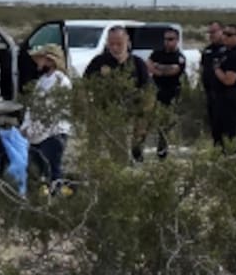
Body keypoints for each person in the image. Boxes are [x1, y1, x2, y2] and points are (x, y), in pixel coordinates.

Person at [84, 26, 153, 163]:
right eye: (111, 44)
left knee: (120, 153)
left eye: (119, 44)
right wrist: (87, 108)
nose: (115, 47)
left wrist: (142, 119)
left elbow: (148, 91)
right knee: (95, 153)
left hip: (127, 118)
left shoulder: (137, 64)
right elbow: (84, 86)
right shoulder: (98, 62)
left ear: (127, 41)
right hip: (101, 115)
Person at [20, 44, 72, 188]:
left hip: (53, 134)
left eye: (40, 59)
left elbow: (50, 111)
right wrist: (26, 127)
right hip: (37, 134)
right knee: (38, 172)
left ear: (50, 60)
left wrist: (35, 129)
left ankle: (56, 200)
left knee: (51, 171)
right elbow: (33, 107)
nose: (37, 62)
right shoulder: (42, 80)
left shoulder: (61, 82)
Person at [207, 23, 236, 152]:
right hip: (219, 97)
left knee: (229, 132)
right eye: (224, 33)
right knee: (217, 131)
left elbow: (229, 80)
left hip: (231, 98)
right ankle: (219, 155)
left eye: (229, 35)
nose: (225, 37)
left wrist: (216, 69)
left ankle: (230, 158)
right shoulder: (225, 51)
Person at [147, 27, 187, 160]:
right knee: (147, 122)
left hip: (171, 94)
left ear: (177, 40)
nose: (167, 42)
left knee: (165, 125)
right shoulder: (157, 53)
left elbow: (173, 70)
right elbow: (149, 66)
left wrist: (159, 68)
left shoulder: (179, 57)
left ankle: (162, 153)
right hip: (155, 92)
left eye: (170, 39)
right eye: (165, 39)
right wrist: (161, 69)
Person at [200, 20, 226, 138]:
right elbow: (203, 68)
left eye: (214, 32)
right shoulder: (207, 50)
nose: (211, 35)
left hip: (224, 94)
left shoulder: (228, 50)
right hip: (210, 93)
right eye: (209, 32)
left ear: (222, 31)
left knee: (225, 126)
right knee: (214, 126)